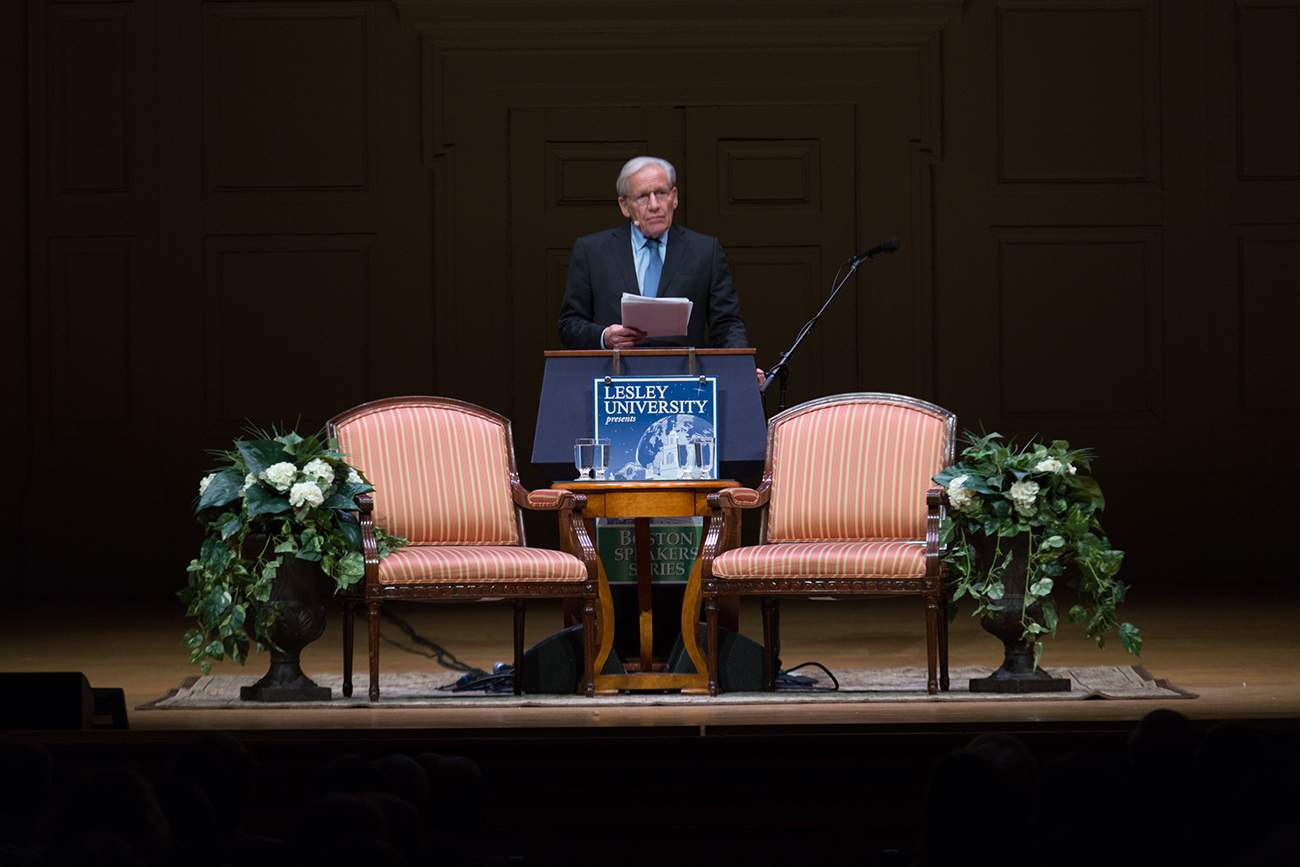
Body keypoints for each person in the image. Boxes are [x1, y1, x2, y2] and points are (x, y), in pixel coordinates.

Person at [558, 157, 764, 384]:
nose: (654, 205)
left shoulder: (705, 250)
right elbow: (569, 324)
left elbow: (726, 324)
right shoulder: (592, 251)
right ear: (624, 205)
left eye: (661, 193)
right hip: (614, 385)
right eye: (643, 197)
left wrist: (740, 364)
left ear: (674, 197)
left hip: (687, 384)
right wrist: (605, 337)